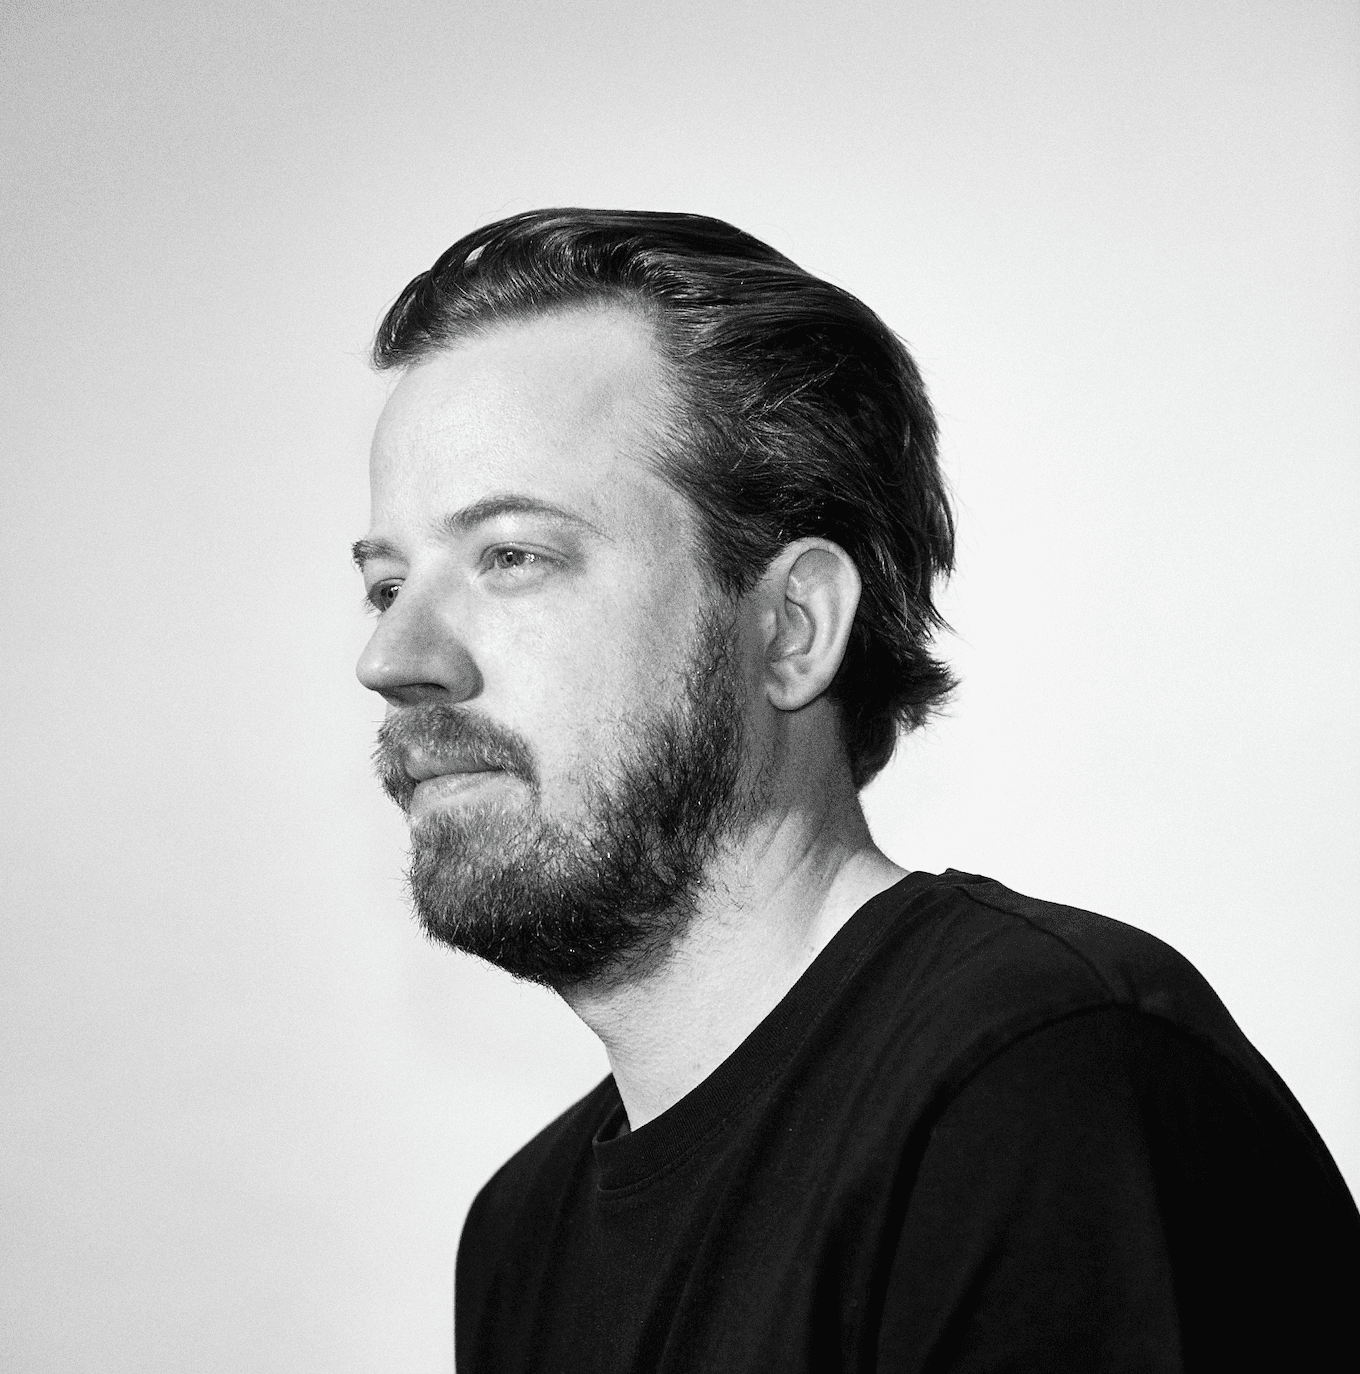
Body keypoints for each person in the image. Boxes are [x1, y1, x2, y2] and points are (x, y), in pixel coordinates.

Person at [352, 209, 1359, 1373]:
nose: (392, 658)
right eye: (385, 585)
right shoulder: (518, 1239)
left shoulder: (1038, 1084)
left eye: (512, 557)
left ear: (791, 627)